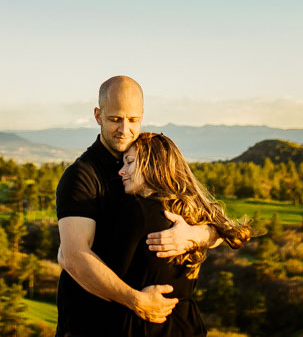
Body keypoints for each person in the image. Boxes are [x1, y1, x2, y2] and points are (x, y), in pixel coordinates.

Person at [56, 77, 220, 337]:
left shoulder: (152, 162)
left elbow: (217, 227)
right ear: (98, 116)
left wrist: (192, 235)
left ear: (142, 115)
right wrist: (135, 299)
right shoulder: (82, 176)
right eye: (114, 119)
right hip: (87, 325)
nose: (124, 129)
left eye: (132, 120)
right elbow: (74, 256)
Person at [115, 132, 251, 336]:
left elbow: (106, 271)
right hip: (187, 324)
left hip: (147, 326)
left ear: (153, 165)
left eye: (130, 162)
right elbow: (230, 232)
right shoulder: (190, 212)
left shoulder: (138, 211)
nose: (121, 171)